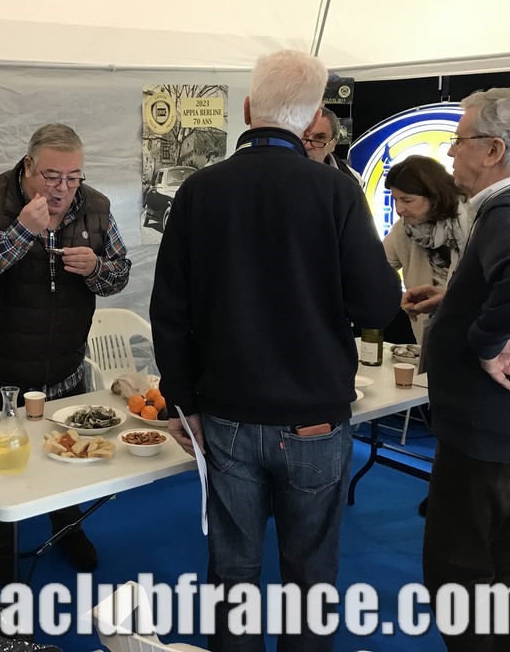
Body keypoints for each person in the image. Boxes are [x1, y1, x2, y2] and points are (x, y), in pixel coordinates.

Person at [151, 50, 399, 651]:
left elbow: (170, 312)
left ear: (246, 109)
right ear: (312, 118)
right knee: (310, 573)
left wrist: (182, 404)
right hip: (314, 415)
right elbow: (377, 307)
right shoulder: (335, 191)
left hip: (226, 413)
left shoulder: (198, 191)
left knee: (232, 570)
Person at [0, 122, 131, 583]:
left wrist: (96, 268)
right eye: (53, 176)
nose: (63, 188)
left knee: (68, 456)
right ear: (29, 166)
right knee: (1, 464)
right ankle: (2, 543)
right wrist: (21, 232)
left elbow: (119, 274)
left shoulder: (96, 206)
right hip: (1, 368)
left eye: (74, 177)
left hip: (66, 366)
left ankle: (67, 527)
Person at [403, 86, 510, 651]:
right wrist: (455, 300)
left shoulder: (507, 209)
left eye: (459, 141)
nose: (450, 153)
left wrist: (484, 341)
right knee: (506, 568)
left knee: (459, 572)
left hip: (484, 433)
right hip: (506, 430)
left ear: (494, 149)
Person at [383, 155, 470, 344]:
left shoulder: (474, 220)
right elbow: (375, 265)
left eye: (407, 200)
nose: (399, 209)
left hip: (473, 330)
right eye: (395, 199)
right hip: (429, 334)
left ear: (434, 196)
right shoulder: (403, 229)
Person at [302, 106, 362, 185]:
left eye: (319, 138)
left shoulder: (352, 181)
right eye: (303, 135)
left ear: (333, 144)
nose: (307, 146)